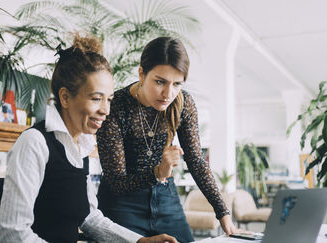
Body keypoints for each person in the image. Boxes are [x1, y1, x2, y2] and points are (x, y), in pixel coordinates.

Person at [0, 34, 178, 243]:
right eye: (96, 98)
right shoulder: (34, 143)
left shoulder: (80, 148)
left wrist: (139, 241)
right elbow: (11, 234)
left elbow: (90, 218)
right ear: (65, 97)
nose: (105, 110)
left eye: (108, 99)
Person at [96, 37, 238, 243]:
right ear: (142, 73)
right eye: (160, 81)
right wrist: (157, 172)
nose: (168, 93)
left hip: (166, 199)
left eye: (177, 84)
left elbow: (197, 161)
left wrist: (222, 212)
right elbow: (117, 182)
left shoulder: (183, 104)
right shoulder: (116, 106)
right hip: (121, 204)